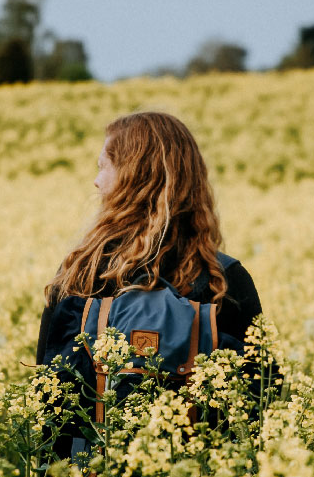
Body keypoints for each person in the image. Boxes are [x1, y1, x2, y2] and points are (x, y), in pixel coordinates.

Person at [35, 111, 264, 458]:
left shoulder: (84, 274)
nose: (96, 182)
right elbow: (260, 402)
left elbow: (47, 395)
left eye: (103, 167)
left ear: (130, 177)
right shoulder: (224, 280)